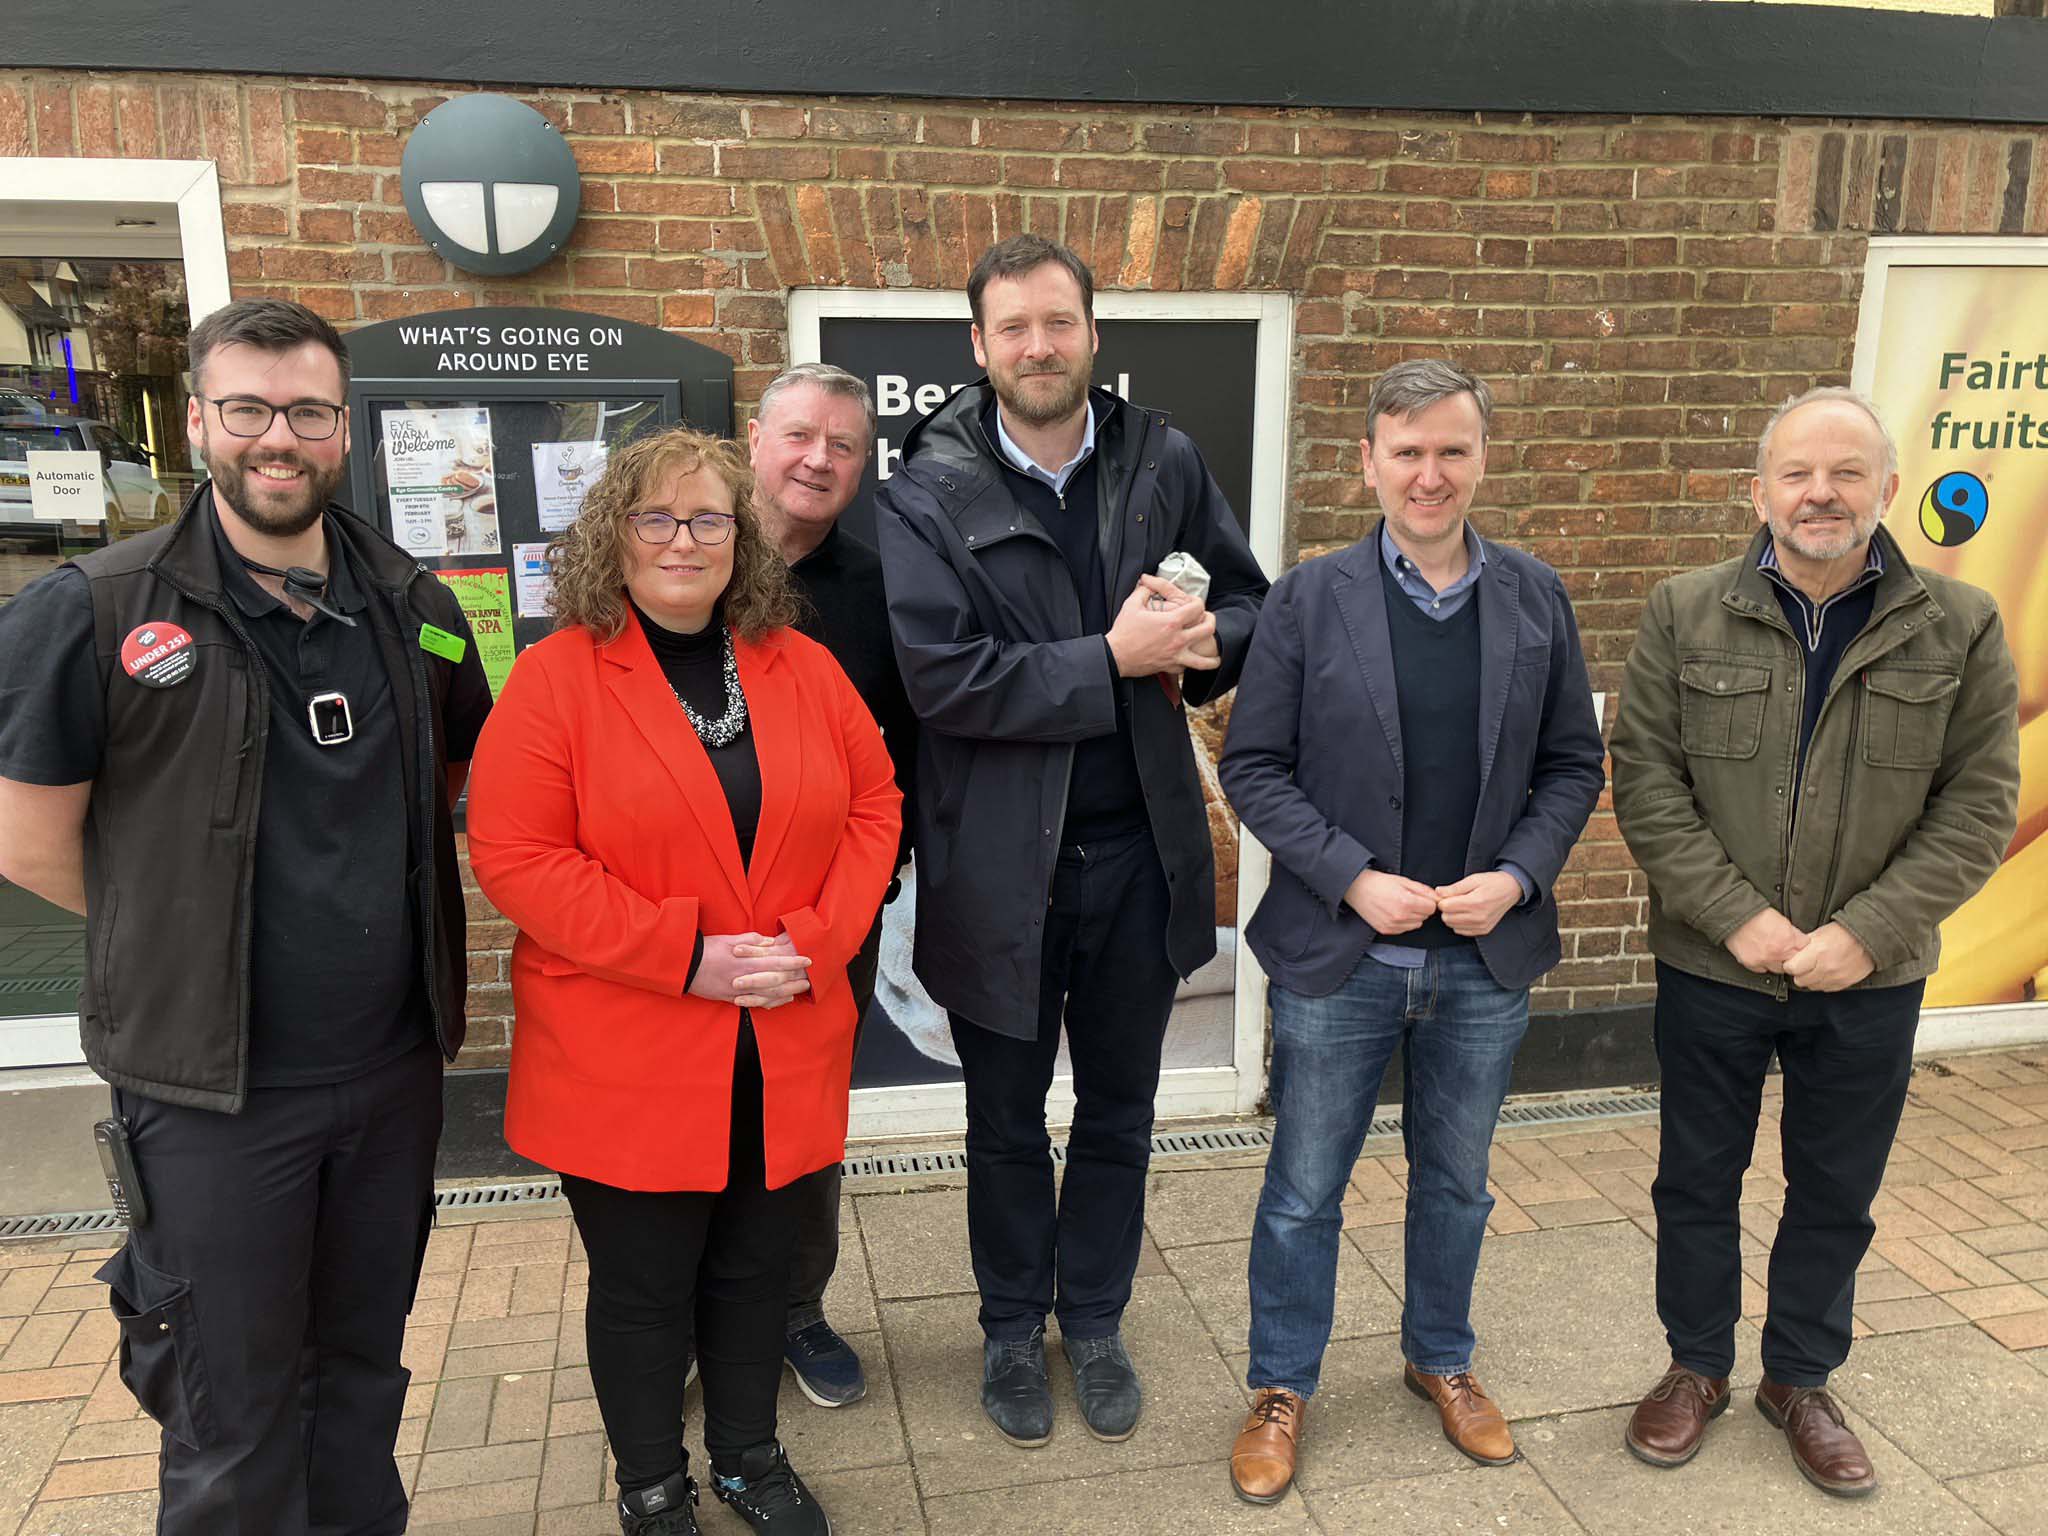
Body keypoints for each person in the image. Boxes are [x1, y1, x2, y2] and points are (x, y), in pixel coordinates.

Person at [0, 298, 493, 1534]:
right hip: (213, 1099)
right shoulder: (94, 609)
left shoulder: (415, 601)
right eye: (248, 409)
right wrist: (187, 931)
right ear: (201, 422)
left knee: (362, 1378)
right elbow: (29, 837)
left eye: (309, 411)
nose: (280, 437)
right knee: (230, 1409)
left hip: (387, 1078)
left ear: (342, 428)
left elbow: (450, 786)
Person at [465, 428, 900, 1536]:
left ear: (740, 539)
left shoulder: (796, 661)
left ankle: (749, 1458)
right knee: (647, 1289)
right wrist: (685, 956)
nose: (682, 539)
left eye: (708, 518)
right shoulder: (559, 677)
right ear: (613, 534)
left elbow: (873, 802)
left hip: (780, 1030)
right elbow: (519, 857)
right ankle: (652, 1484)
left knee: (760, 1272)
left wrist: (822, 938)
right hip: (629, 1045)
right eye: (655, 517)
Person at [874, 234, 1269, 1447]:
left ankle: (1091, 1320)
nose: (1037, 346)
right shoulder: (922, 492)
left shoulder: (1163, 459)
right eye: (1013, 327)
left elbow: (1248, 600)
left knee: (1118, 1111)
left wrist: (1208, 643)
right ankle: (1007, 1329)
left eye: (1058, 322)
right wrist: (1108, 659)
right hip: (1000, 871)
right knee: (1000, 1119)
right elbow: (944, 680)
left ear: (1094, 335)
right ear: (977, 346)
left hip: (1141, 855)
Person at [1609, 387, 2020, 1497]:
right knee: (1693, 1180)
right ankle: (1694, 1367)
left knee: (1833, 1188)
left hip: (1867, 978)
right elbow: (1646, 784)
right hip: (1712, 965)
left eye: (1845, 473)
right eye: (1795, 473)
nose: (1819, 493)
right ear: (1757, 493)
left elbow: (1978, 805)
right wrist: (1737, 916)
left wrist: (1866, 933)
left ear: (1886, 489)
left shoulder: (1959, 623)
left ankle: (1798, 1377)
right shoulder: (1683, 610)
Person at [1216, 359, 1605, 1500]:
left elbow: (1573, 767)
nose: (1428, 474)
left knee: (1457, 1183)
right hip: (1343, 960)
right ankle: (1280, 1385)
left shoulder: (1535, 595)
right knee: (1302, 1188)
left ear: (1481, 456)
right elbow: (1254, 765)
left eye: (1450, 450)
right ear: (1367, 462)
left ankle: (1440, 1359)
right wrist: (1348, 876)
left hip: (1482, 962)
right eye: (1405, 451)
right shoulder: (1307, 597)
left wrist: (1520, 876)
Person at [746, 361, 918, 1409]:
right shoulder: (669, 558)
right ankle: (684, 1318)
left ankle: (794, 1310)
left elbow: (899, 763)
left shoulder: (882, 592)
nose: (818, 459)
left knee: (804, 1123)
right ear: (754, 440)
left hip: (821, 920)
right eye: (800, 435)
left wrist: (857, 899)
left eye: (843, 446)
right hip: (681, 917)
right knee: (684, 1118)